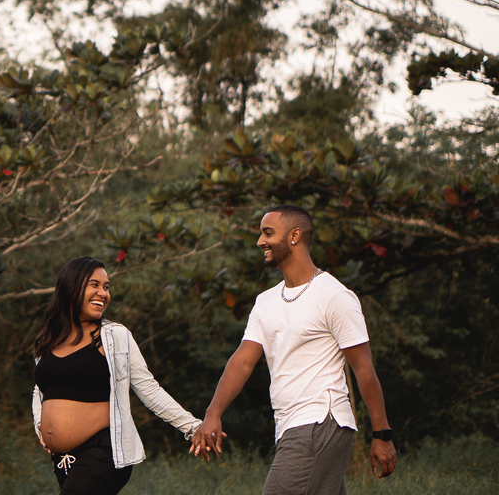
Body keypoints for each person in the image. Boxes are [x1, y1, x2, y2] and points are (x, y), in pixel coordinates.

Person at [191, 204, 399, 494]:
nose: (260, 241)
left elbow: (363, 368)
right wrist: (213, 412)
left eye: (268, 233)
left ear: (295, 236)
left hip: (319, 422)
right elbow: (243, 362)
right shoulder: (266, 302)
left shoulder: (334, 296)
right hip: (290, 425)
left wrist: (382, 434)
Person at [32, 256, 201, 495]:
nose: (103, 293)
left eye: (106, 287)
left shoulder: (114, 337)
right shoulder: (47, 340)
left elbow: (149, 389)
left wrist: (193, 427)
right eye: (95, 285)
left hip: (102, 450)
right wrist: (39, 423)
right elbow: (40, 391)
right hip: (64, 459)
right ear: (71, 287)